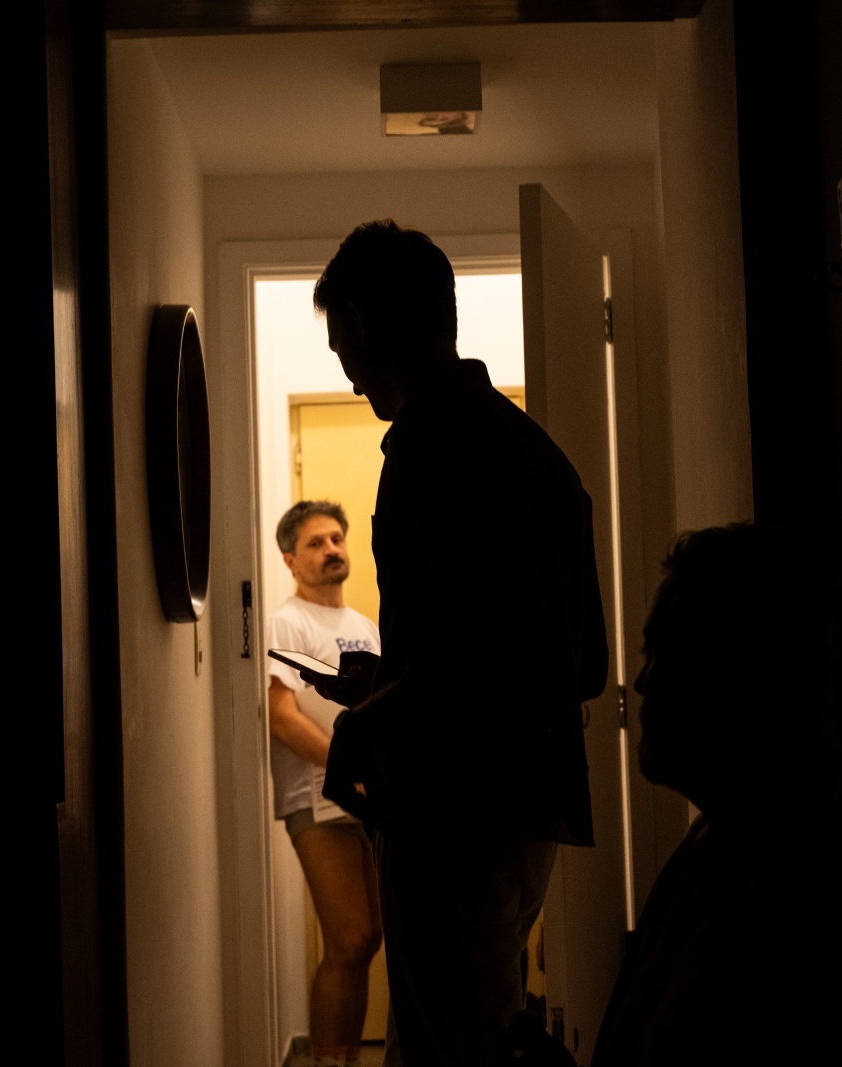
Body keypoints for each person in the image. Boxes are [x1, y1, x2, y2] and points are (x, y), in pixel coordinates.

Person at [308, 220, 608, 1067]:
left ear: (364, 324)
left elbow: (482, 651)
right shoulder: (537, 453)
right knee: (476, 1033)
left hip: (453, 809)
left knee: (449, 1050)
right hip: (529, 807)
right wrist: (394, 677)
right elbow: (577, 662)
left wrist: (367, 719)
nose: (344, 368)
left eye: (340, 342)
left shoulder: (429, 442)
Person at [590, 523, 830, 1065]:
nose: (642, 682)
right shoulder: (714, 847)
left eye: (664, 654)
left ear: (737, 677)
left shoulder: (783, 913)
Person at [265, 501, 384, 1067]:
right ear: (291, 560)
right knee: (348, 938)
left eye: (337, 538)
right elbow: (281, 715)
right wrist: (349, 770)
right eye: (316, 543)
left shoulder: (366, 628)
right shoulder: (286, 622)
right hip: (316, 799)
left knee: (368, 939)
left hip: (369, 799)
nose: (332, 549)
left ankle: (348, 1059)